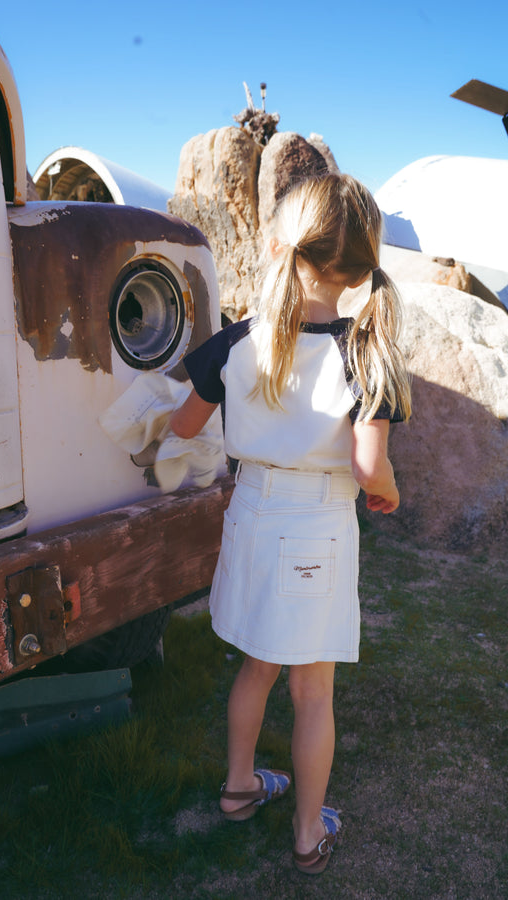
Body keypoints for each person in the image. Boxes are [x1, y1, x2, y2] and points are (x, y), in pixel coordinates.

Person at [170, 172, 411, 875]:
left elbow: (184, 426)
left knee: (256, 664)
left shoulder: (237, 341)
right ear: (361, 267)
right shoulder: (365, 352)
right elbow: (370, 467)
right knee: (313, 693)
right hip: (316, 529)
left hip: (250, 514)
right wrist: (389, 492)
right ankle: (308, 834)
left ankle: (239, 787)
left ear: (284, 245)